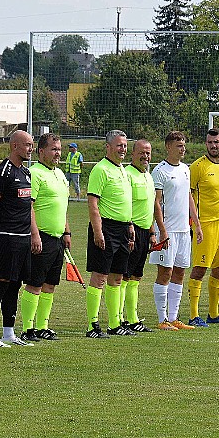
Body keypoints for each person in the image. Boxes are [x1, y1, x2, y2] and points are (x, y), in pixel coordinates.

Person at [0, 129, 34, 347]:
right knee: (1, 283)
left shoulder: (26, 173)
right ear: (15, 146)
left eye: (32, 145)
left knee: (15, 285)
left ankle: (8, 332)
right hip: (7, 237)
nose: (31, 149)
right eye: (28, 145)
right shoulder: (3, 172)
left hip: (23, 238)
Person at [19, 132, 71, 344]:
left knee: (50, 285)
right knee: (35, 284)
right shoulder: (35, 173)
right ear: (41, 151)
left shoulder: (60, 174)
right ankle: (27, 328)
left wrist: (66, 232)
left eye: (59, 149)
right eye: (53, 149)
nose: (57, 153)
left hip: (58, 238)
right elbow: (28, 206)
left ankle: (43, 326)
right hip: (41, 237)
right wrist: (35, 235)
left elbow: (63, 206)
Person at [85, 130, 135, 338]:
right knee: (100, 277)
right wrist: (98, 231)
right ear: (108, 147)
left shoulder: (123, 170)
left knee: (117, 277)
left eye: (124, 145)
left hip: (123, 229)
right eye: (119, 145)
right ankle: (92, 325)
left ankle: (114, 323)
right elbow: (93, 203)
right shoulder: (100, 169)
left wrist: (130, 224)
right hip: (106, 228)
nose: (122, 149)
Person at [149, 131, 200, 331]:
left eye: (184, 145)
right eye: (179, 145)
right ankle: (162, 320)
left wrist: (196, 224)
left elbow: (188, 198)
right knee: (165, 272)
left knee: (179, 272)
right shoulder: (160, 171)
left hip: (183, 230)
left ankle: (174, 317)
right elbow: (156, 203)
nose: (183, 148)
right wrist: (162, 230)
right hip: (167, 230)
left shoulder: (186, 169)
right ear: (168, 147)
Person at [188, 128, 219, 326]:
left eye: (216, 142)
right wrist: (196, 224)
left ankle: (214, 315)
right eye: (210, 142)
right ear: (206, 144)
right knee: (199, 269)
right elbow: (188, 195)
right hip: (205, 225)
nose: (213, 146)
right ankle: (193, 315)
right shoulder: (197, 166)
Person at [118, 139, 156, 333]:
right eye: (141, 152)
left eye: (148, 153)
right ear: (133, 154)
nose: (145, 156)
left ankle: (132, 318)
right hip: (130, 230)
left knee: (136, 277)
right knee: (124, 276)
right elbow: (126, 205)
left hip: (144, 231)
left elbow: (149, 208)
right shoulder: (127, 175)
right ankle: (121, 318)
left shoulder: (148, 176)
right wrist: (130, 227)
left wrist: (152, 233)